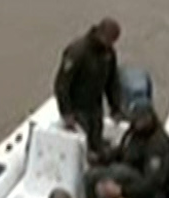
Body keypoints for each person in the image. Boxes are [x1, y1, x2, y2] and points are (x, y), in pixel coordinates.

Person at [86, 105, 169, 198]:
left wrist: (121, 190)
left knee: (115, 173)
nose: (136, 123)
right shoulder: (133, 132)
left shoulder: (158, 145)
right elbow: (122, 151)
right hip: (130, 176)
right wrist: (102, 157)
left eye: (140, 120)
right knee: (91, 176)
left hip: (153, 192)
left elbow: (153, 184)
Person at [53, 18, 124, 158]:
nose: (111, 44)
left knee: (96, 140)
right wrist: (66, 112)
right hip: (77, 107)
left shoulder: (108, 53)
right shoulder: (77, 52)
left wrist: (115, 107)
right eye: (110, 40)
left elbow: (112, 81)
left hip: (95, 105)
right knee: (80, 147)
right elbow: (62, 84)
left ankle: (97, 160)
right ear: (100, 34)